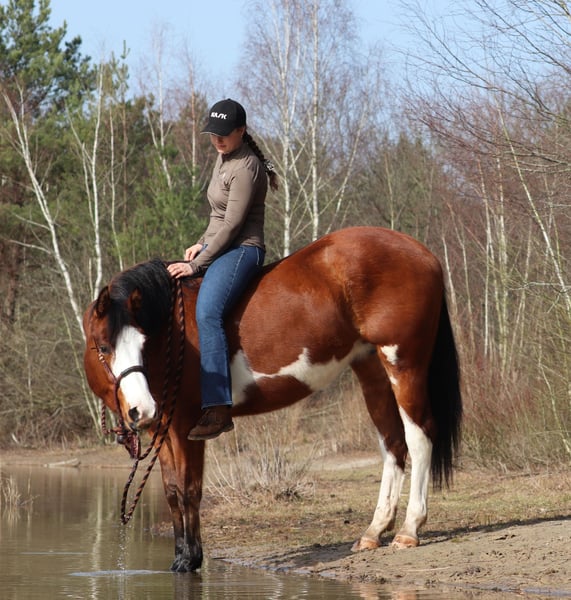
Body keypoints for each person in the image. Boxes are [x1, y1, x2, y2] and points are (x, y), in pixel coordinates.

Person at [167, 98, 278, 440]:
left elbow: (232, 225)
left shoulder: (245, 167)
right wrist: (200, 242)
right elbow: (217, 217)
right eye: (213, 133)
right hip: (221, 245)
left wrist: (196, 264)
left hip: (243, 250)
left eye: (224, 134)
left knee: (207, 313)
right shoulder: (223, 158)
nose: (217, 139)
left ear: (241, 131)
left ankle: (217, 408)